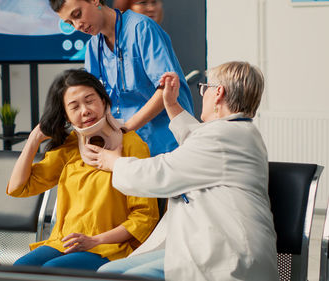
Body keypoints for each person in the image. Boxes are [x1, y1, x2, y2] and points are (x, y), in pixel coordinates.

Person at [88, 61, 278, 280]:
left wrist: (114, 162)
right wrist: (171, 104)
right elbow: (196, 139)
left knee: (122, 277)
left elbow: (160, 174)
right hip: (209, 244)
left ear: (218, 93)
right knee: (109, 272)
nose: (202, 95)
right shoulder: (236, 133)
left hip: (228, 255)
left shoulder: (223, 137)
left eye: (204, 88)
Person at [6, 69, 159, 271]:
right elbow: (18, 187)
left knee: (52, 271)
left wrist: (94, 240)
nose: (85, 110)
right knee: (19, 269)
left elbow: (145, 217)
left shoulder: (131, 145)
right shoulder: (69, 147)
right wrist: (33, 139)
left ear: (103, 101)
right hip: (64, 242)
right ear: (66, 116)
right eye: (74, 106)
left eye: (90, 100)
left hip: (110, 246)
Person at [49, 0, 193, 156]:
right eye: (70, 23)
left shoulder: (141, 28)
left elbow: (166, 90)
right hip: (128, 145)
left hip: (167, 141)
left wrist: (125, 128)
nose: (77, 26)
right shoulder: (93, 47)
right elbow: (97, 101)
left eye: (77, 15)